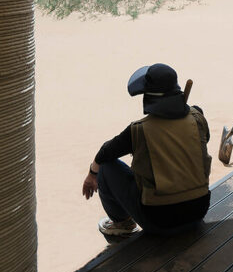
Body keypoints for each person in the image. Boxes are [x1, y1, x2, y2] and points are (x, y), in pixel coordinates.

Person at [82, 63, 211, 238]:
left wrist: (92, 174)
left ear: (149, 97)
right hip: (198, 211)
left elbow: (105, 152)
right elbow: (205, 139)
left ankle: (123, 223)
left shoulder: (139, 130)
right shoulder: (197, 118)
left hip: (159, 220)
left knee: (105, 168)